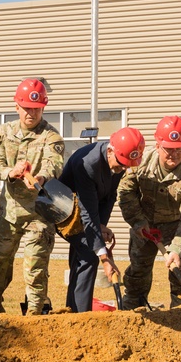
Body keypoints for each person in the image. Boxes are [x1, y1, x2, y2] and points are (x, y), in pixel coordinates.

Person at [0, 78, 65, 315]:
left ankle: (33, 315)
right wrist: (10, 172)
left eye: (36, 108)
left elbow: (55, 163)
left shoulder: (51, 137)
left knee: (35, 267)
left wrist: (40, 177)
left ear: (43, 108)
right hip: (9, 214)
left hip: (39, 214)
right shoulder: (3, 133)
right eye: (26, 107)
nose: (31, 113)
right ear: (17, 106)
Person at [118, 115, 181, 308]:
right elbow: (126, 194)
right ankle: (133, 312)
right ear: (158, 145)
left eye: (179, 149)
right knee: (137, 273)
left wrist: (177, 247)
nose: (173, 155)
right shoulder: (140, 163)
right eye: (168, 149)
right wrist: (138, 222)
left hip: (177, 227)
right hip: (144, 224)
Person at [59, 127, 145, 313]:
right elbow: (88, 213)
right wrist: (104, 257)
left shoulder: (120, 161)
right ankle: (79, 317)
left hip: (86, 210)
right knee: (89, 254)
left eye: (127, 166)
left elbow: (109, 196)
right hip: (64, 210)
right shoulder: (88, 164)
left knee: (85, 254)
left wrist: (102, 225)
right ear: (110, 150)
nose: (123, 169)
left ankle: (72, 309)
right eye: (121, 164)